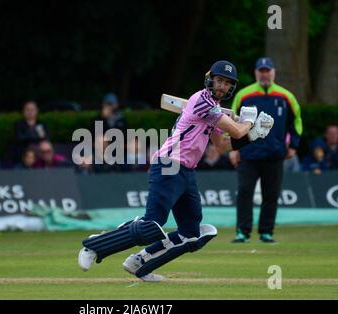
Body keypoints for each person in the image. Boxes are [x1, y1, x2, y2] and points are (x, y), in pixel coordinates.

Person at [77, 60, 274, 282]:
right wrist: (249, 123)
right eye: (219, 80)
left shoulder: (215, 110)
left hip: (187, 172)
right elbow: (237, 132)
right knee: (152, 224)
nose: (222, 86)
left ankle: (140, 263)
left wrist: (253, 135)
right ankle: (94, 246)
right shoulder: (202, 101)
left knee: (192, 234)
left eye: (227, 83)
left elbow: (222, 145)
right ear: (210, 79)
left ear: (231, 88)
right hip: (169, 165)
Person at [229, 57, 303, 243]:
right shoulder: (244, 95)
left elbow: (297, 122)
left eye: (267, 70)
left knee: (271, 195)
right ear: (256, 73)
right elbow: (230, 121)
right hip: (248, 153)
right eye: (261, 70)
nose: (264, 74)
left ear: (273, 72)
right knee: (245, 192)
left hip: (275, 154)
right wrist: (232, 148)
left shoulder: (286, 96)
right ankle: (242, 232)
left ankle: (266, 232)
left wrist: (293, 145)